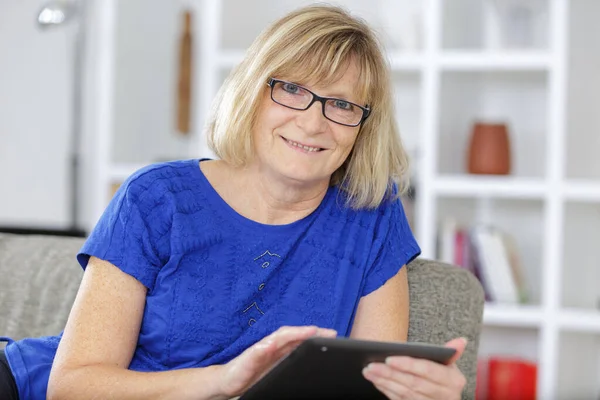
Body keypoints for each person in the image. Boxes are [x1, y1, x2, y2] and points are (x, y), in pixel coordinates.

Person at [0, 4, 468, 399]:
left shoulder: (372, 214)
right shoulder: (157, 197)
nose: (313, 123)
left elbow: (365, 385)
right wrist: (225, 382)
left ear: (364, 125)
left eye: (343, 105)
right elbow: (72, 384)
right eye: (293, 90)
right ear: (253, 92)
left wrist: (416, 394)